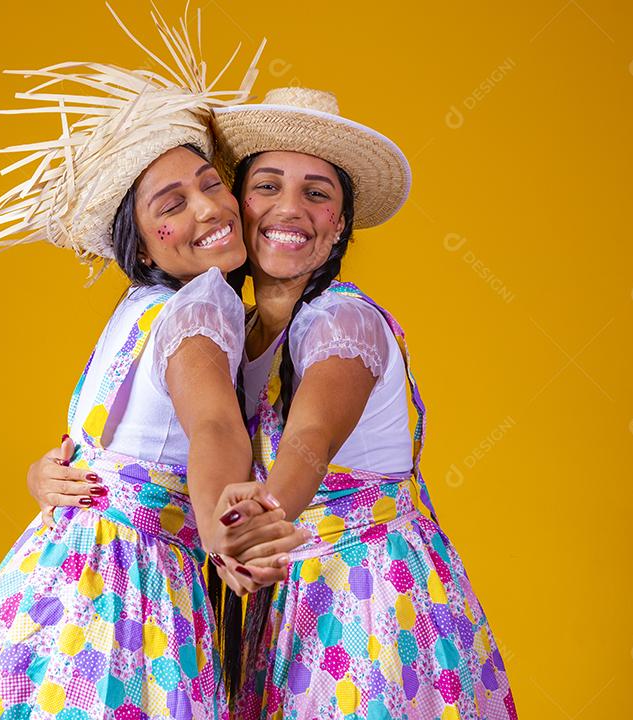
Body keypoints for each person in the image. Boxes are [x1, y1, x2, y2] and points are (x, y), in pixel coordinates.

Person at [0, 11, 303, 720]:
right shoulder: (202, 307)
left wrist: (49, 477)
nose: (209, 207)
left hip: (51, 591)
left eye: (209, 182)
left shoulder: (145, 308)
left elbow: (157, 430)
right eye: (173, 203)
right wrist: (225, 529)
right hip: (123, 593)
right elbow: (213, 423)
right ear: (143, 244)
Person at [212, 87, 519, 720]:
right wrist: (57, 477)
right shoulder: (232, 334)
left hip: (368, 603)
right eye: (266, 186)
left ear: (342, 221)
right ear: (237, 204)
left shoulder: (343, 323)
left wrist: (261, 524)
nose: (289, 208)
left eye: (317, 193)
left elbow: (309, 440)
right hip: (290, 600)